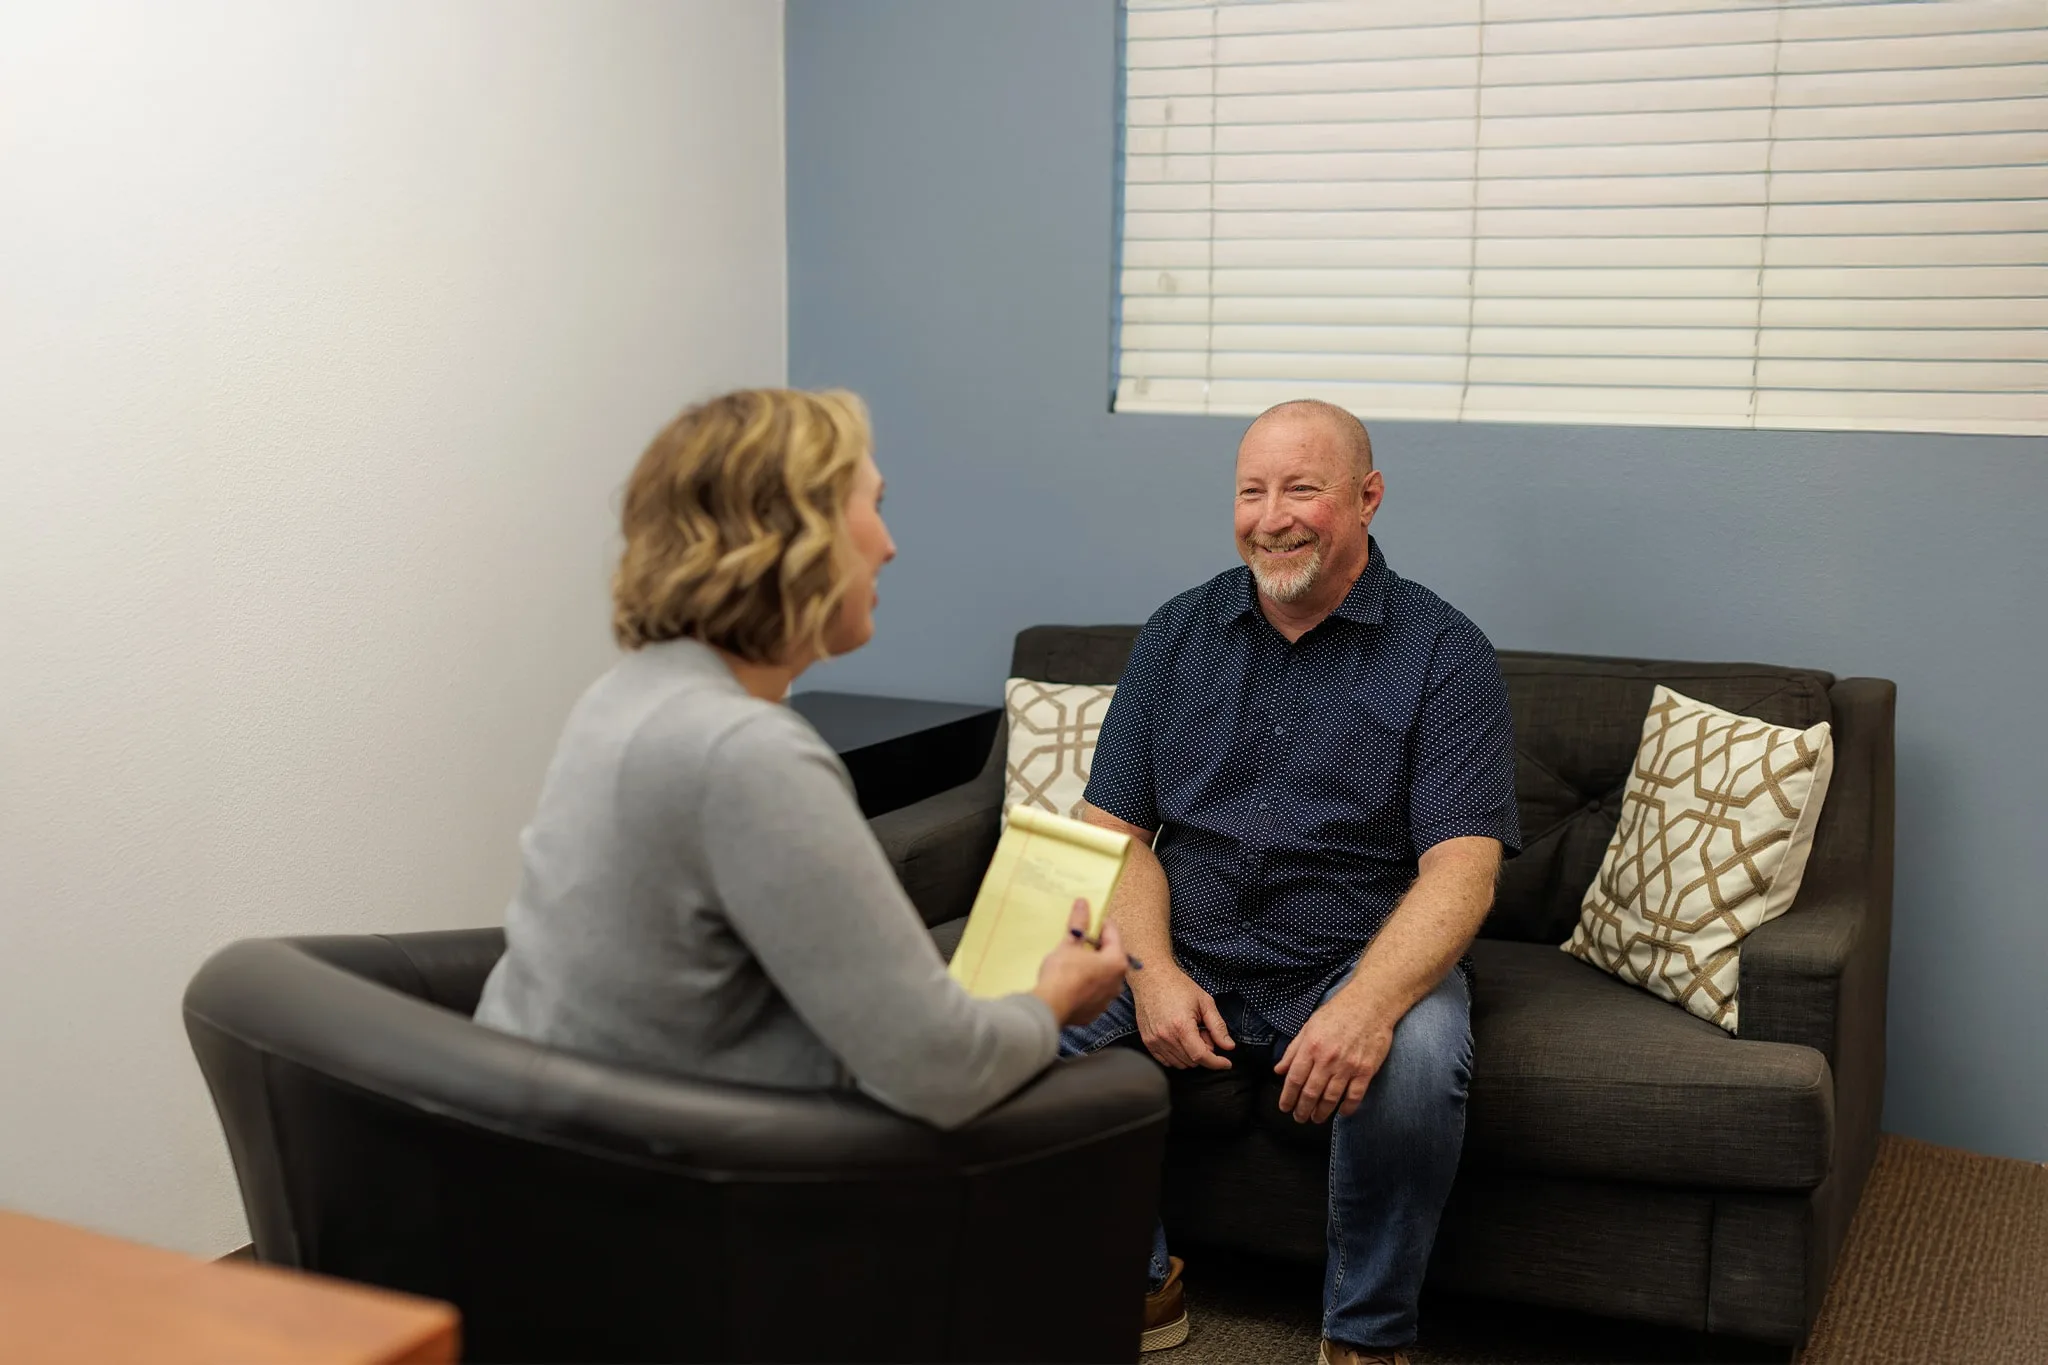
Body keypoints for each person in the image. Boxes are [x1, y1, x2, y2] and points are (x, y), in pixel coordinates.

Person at [475, 387, 1129, 1130]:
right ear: (796, 533)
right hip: (673, 1179)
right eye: (873, 506)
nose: (889, 544)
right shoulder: (745, 755)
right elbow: (943, 1069)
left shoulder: (622, 696)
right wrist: (1055, 998)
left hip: (533, 1140)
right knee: (1111, 1098)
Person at [1065, 400, 1521, 1364]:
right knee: (1021, 1020)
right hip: (1187, 946)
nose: (1271, 515)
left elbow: (1462, 868)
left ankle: (1363, 1336)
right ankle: (1141, 1285)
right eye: (1252, 490)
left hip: (1348, 955)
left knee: (1419, 1056)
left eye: (1302, 488)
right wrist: (1149, 971)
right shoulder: (1177, 632)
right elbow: (1115, 830)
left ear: (1367, 498)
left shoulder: (1445, 653)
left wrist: (1369, 1004)